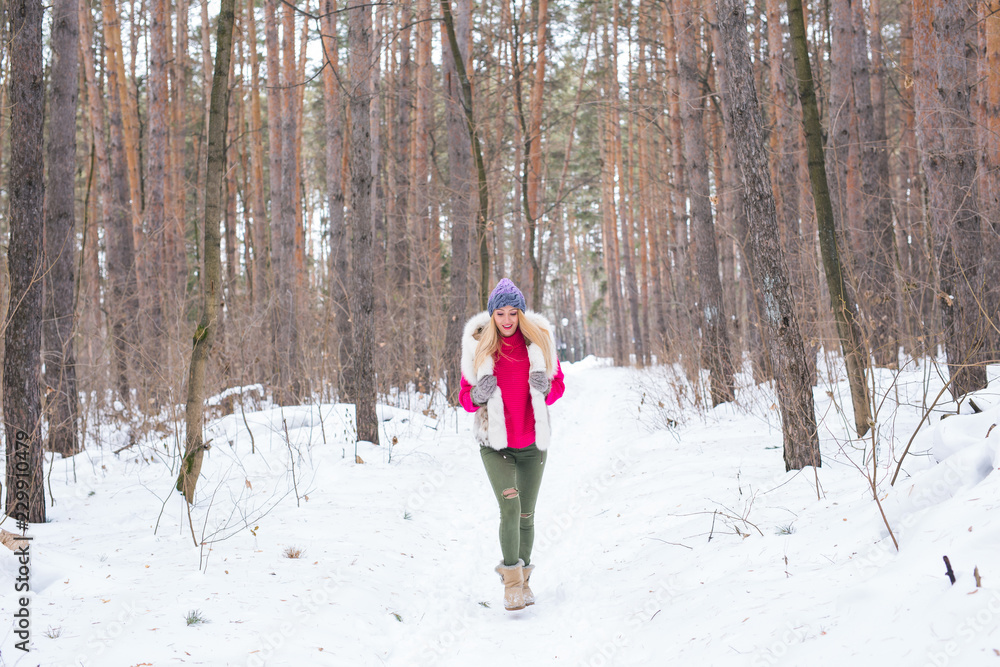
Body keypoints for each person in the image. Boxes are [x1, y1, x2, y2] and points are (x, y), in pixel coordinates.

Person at [459, 278, 566, 611]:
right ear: (492, 316)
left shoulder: (540, 343)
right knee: (510, 507)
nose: (507, 320)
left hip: (533, 442)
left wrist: (546, 386)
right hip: (495, 444)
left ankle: (525, 580)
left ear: (521, 314)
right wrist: (477, 394)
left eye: (513, 313)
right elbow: (464, 396)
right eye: (500, 313)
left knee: (526, 515)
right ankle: (512, 586)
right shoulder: (478, 347)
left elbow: (559, 386)